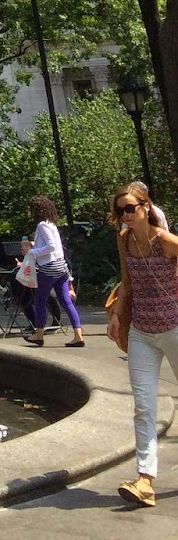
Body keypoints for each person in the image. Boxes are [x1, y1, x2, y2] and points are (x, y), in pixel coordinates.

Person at [107, 181, 178, 507]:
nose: (125, 214)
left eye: (130, 208)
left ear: (145, 208)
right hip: (141, 332)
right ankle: (145, 480)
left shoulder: (164, 240)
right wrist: (117, 316)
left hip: (174, 327)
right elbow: (127, 281)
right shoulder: (124, 240)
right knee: (144, 407)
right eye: (120, 210)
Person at [24, 195, 83, 349]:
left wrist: (33, 252)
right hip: (61, 267)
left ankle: (39, 334)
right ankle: (78, 335)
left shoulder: (42, 225)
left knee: (40, 300)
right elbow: (56, 247)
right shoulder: (52, 225)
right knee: (66, 301)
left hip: (49, 268)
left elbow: (50, 246)